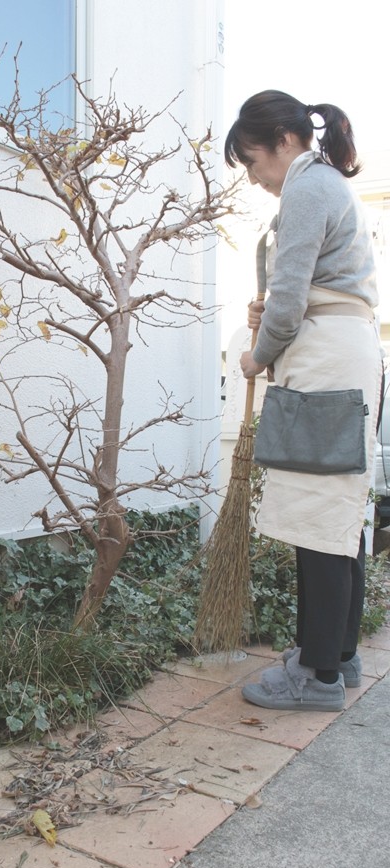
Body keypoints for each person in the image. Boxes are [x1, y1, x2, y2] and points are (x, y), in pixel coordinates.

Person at [224, 90, 382, 711]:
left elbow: (290, 301)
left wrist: (256, 354)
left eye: (253, 161)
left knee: (320, 515)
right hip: (341, 349)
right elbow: (299, 293)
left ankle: (315, 677)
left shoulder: (307, 187)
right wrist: (275, 313)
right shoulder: (324, 186)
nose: (256, 178)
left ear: (284, 142)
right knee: (337, 511)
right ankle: (336, 658)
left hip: (325, 358)